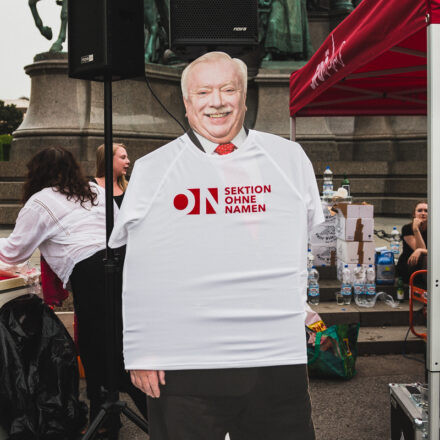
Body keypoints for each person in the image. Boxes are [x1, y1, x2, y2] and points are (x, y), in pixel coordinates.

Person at [109, 51, 324, 440]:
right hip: (185, 359)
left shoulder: (288, 159)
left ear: (244, 96)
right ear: (187, 103)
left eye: (229, 89)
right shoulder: (155, 168)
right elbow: (140, 266)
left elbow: (299, 243)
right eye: (204, 92)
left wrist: (297, 306)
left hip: (272, 357)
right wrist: (141, 350)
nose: (218, 101)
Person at [0, 147, 145, 436]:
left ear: (35, 172)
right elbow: (120, 227)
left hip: (92, 272)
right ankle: (106, 420)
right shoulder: (94, 191)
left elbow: (13, 252)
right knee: (118, 345)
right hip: (127, 263)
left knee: (104, 351)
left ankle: (142, 419)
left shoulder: (39, 202)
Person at [396, 201, 428, 284]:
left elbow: (422, 250)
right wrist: (415, 229)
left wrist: (420, 251)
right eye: (420, 210)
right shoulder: (407, 228)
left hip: (428, 265)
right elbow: (422, 250)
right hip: (410, 264)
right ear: (414, 214)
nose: (423, 213)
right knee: (426, 258)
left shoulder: (435, 229)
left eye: (426, 211)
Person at [93, 143, 130, 208]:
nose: (128, 161)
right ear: (108, 160)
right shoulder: (92, 187)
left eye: (127, 158)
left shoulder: (128, 188)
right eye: (123, 157)